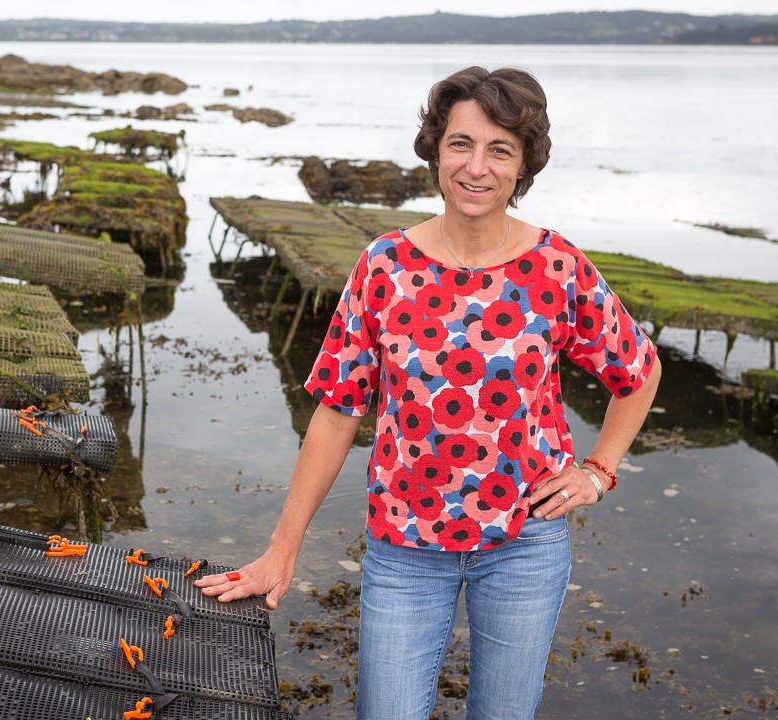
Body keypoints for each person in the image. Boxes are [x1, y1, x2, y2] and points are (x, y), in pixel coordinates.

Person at [196, 66, 661, 719]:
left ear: (524, 164)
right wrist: (283, 547)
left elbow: (637, 372)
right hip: (404, 546)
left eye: (500, 149)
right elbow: (336, 411)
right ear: (435, 151)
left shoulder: (558, 269)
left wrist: (599, 470)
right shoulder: (384, 265)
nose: (478, 166)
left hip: (524, 543)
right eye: (461, 144)